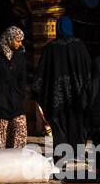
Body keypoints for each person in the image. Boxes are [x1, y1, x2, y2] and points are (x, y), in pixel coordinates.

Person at [32, 17, 93, 148]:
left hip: (56, 96)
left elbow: (41, 74)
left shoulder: (51, 48)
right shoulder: (80, 46)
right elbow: (88, 70)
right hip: (77, 94)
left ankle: (61, 153)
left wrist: (37, 92)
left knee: (58, 123)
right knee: (78, 121)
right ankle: (78, 149)